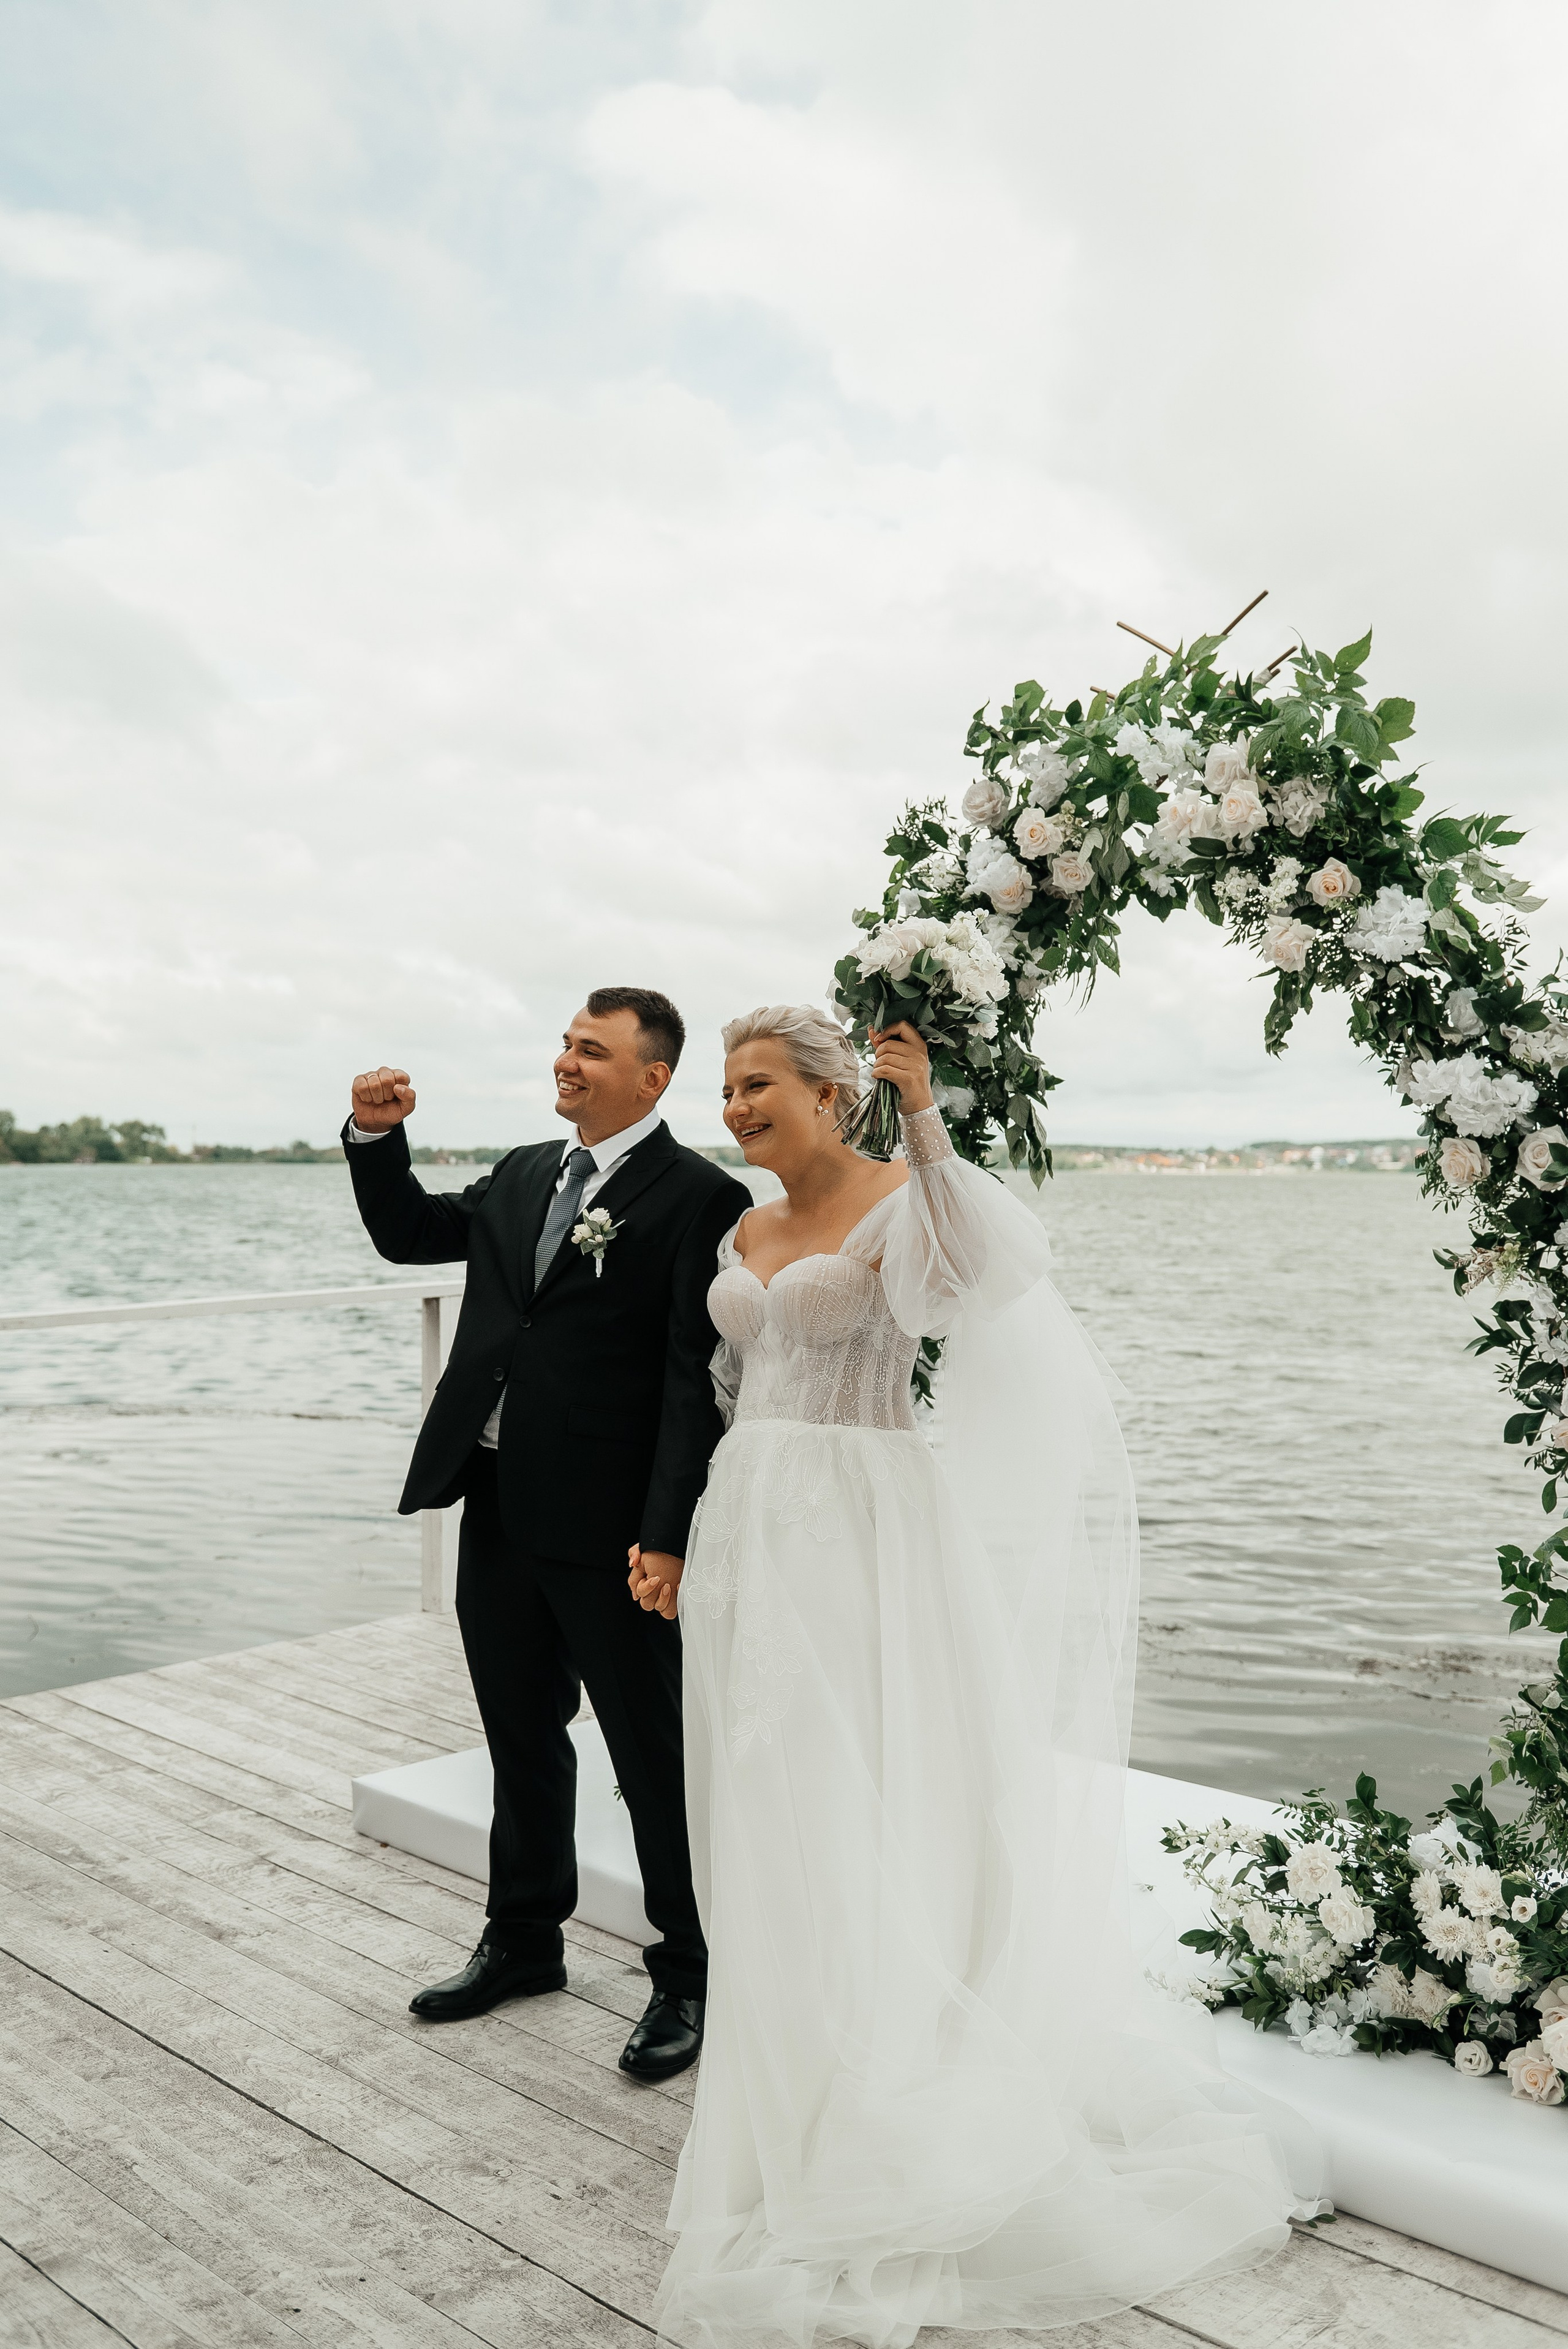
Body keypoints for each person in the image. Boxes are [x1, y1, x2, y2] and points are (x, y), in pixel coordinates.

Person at [632, 1005, 1313, 2347]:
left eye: (757, 1083)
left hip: (868, 1534)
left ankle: (888, 2092)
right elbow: (719, 1384)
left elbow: (984, 1272)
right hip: (750, 1535)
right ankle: (787, 2111)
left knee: (870, 1796)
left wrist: (927, 1114)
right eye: (724, 1088)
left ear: (833, 1096)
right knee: (766, 1810)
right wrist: (673, 1537)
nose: (734, 1106)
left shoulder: (904, 1202)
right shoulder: (735, 1236)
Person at [345, 987, 751, 2081]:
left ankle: (690, 1973)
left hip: (614, 1530)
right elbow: (411, 1234)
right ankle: (524, 1941)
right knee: (520, 1735)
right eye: (568, 1043)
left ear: (651, 1078)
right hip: (497, 1505)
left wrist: (667, 1533)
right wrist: (377, 1139)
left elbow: (687, 1386)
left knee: (652, 1754)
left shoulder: (703, 1198)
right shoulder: (528, 1171)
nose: (566, 1061)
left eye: (592, 1050)